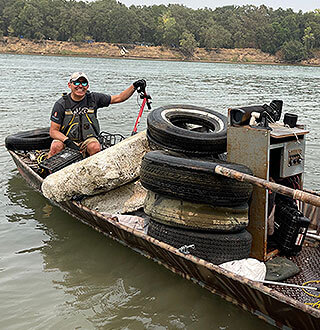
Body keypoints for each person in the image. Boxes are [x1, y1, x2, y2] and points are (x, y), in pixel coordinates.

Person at [48, 72, 146, 158]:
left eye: (84, 83)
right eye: (76, 83)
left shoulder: (94, 98)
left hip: (88, 139)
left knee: (95, 147)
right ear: (70, 85)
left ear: (88, 86)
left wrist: (134, 86)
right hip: (66, 139)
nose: (80, 86)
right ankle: (48, 173)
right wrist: (67, 141)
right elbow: (53, 131)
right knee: (56, 146)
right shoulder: (61, 104)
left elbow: (119, 98)